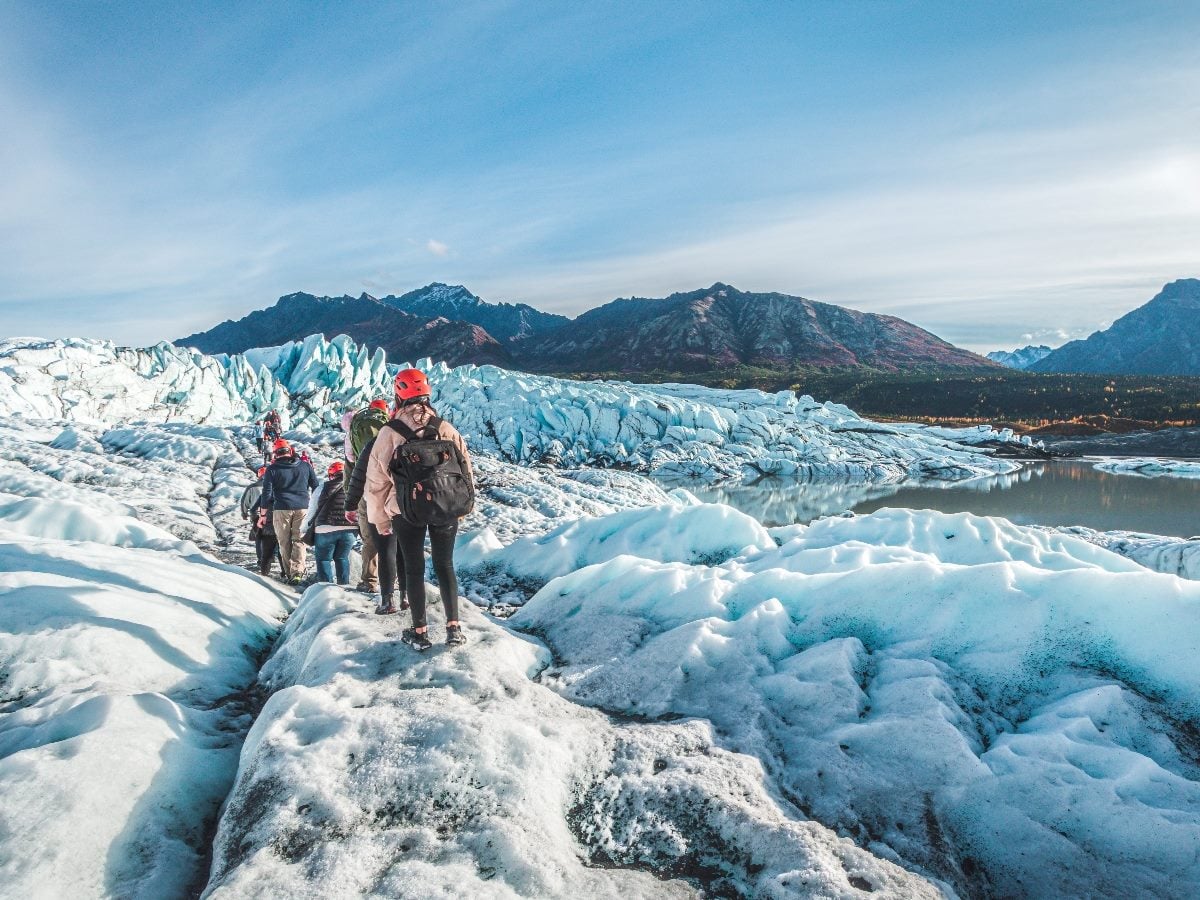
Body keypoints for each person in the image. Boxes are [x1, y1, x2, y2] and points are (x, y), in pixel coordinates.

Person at [366, 368, 474, 649]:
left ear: (398, 395)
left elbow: (376, 482)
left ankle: (420, 632)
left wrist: (379, 520)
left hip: (405, 509)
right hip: (446, 505)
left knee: (414, 568)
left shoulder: (390, 433)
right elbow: (465, 468)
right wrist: (462, 505)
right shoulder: (444, 427)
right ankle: (454, 629)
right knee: (445, 565)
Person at [346, 430, 405, 614]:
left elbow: (358, 475)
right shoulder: (410, 438)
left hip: (378, 504)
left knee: (386, 550)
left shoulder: (374, 442)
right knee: (404, 551)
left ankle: (387, 601)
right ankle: (405, 597)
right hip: (405, 505)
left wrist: (351, 504)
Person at [344, 398, 390, 593]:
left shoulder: (354, 432)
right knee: (394, 535)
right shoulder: (392, 429)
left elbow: (350, 467)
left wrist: (350, 499)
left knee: (370, 538)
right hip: (389, 489)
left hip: (365, 491)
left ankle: (369, 581)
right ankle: (395, 581)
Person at [260, 439, 319, 584]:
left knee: (284, 542)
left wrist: (262, 515)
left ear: (275, 453)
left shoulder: (272, 470)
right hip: (302, 507)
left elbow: (266, 494)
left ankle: (289, 573)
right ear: (290, 450)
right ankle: (297, 571)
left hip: (281, 509)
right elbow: (316, 487)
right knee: (299, 540)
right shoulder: (305, 466)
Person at [303, 461, 358, 585]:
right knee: (342, 557)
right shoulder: (355, 486)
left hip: (325, 528)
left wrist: (305, 527)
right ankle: (344, 587)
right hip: (350, 528)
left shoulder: (322, 487)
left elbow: (312, 509)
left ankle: (325, 587)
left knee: (323, 559)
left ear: (331, 475)